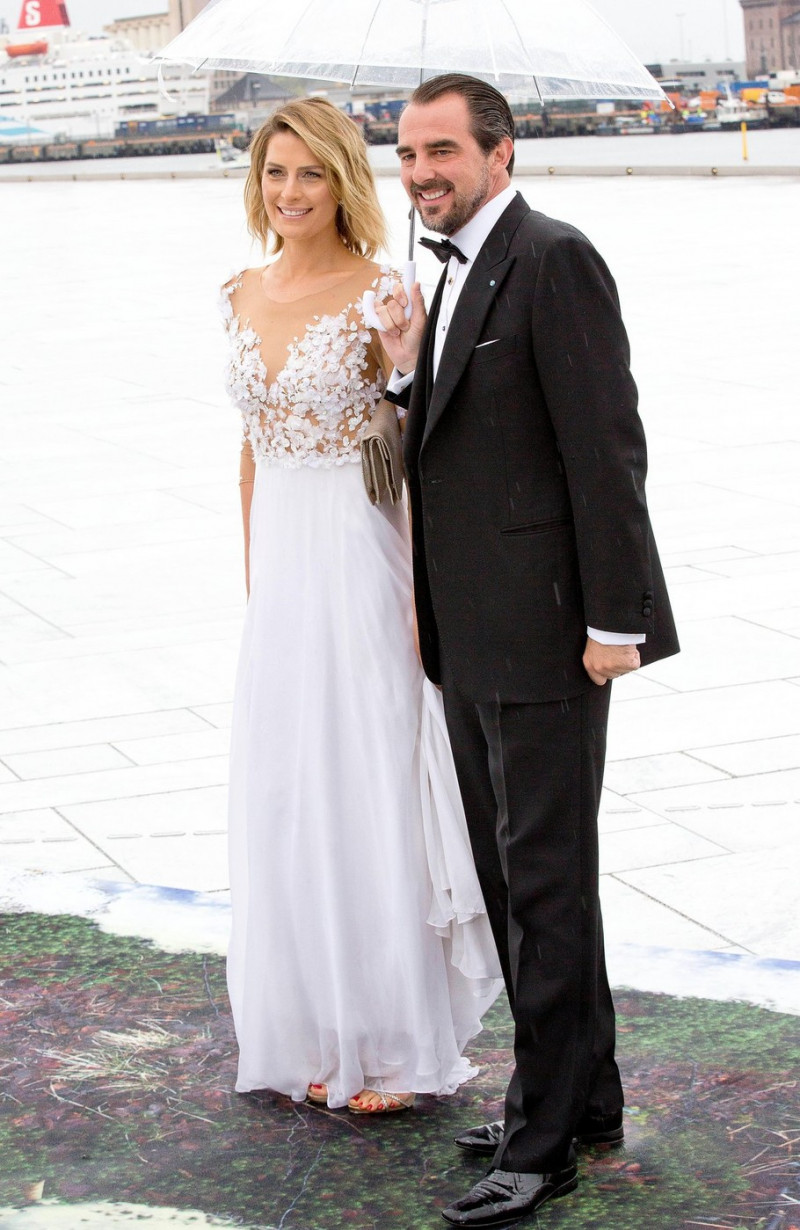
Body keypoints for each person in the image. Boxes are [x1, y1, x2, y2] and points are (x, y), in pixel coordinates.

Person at [376, 74, 679, 1225]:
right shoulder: (444, 274)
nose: (419, 173)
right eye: (405, 154)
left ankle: (541, 1140)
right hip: (467, 637)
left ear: (500, 153)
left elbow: (607, 449)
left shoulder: (552, 258)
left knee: (542, 889)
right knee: (520, 885)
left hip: (551, 634)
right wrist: (409, 365)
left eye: (441, 151)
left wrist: (616, 623)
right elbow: (465, 442)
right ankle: (584, 1097)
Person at [220, 97, 502, 1118]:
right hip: (285, 576)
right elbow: (249, 454)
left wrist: (399, 369)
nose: (288, 192)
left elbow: (415, 453)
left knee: (368, 783)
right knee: (291, 791)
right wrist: (258, 585)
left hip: (358, 551)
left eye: (309, 174)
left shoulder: (383, 293)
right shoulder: (238, 292)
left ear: (344, 183)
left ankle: (388, 1041)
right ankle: (306, 1022)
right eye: (272, 173)